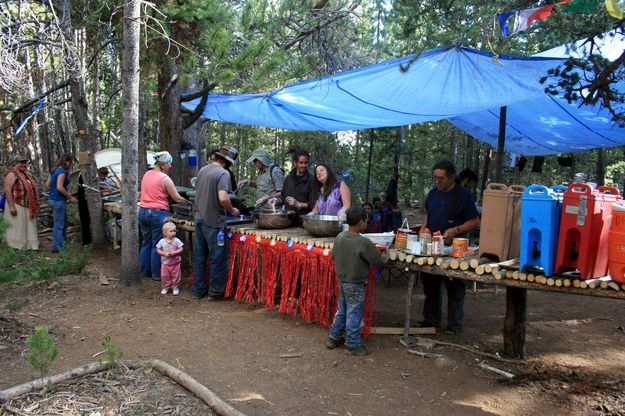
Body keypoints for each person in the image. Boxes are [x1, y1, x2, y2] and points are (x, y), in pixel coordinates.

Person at [421, 160, 480, 334]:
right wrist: (424, 229)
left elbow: (475, 221)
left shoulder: (463, 195)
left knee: (455, 287)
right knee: (430, 285)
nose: (437, 182)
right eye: (435, 178)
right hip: (433, 247)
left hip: (456, 249)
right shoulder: (432, 194)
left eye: (441, 178)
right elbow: (428, 215)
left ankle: (454, 326)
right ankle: (431, 321)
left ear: (452, 177)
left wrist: (456, 230)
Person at [326, 206, 388, 356]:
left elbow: (333, 255)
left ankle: (333, 338)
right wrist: (385, 253)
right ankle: (352, 344)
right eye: (366, 221)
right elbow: (377, 260)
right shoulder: (363, 242)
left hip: (342, 281)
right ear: (361, 223)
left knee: (342, 311)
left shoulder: (340, 237)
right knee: (354, 313)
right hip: (355, 284)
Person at [193, 146, 240, 301]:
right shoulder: (223, 173)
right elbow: (222, 198)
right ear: (227, 161)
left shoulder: (202, 170)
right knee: (217, 259)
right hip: (214, 222)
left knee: (200, 257)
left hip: (199, 219)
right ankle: (215, 293)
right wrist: (232, 210)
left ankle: (198, 291)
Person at [139, 151, 190, 281]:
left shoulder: (147, 174)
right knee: (157, 244)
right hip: (157, 213)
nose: (170, 166)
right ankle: (156, 274)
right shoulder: (165, 179)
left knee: (146, 242)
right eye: (169, 163)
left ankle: (145, 272)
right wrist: (190, 202)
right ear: (162, 164)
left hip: (143, 211)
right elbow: (177, 199)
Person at [3, 155, 41, 250]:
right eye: (21, 162)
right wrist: (12, 207)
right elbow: (7, 190)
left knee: (28, 227)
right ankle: (15, 246)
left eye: (25, 162)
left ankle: (29, 246)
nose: (24, 164)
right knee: (17, 226)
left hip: (27, 205)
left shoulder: (25, 174)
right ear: (15, 163)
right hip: (16, 204)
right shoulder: (12, 174)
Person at [46, 154, 77, 253]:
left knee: (63, 223)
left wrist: (53, 191)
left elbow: (47, 184)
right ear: (66, 161)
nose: (71, 165)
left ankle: (62, 243)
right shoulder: (62, 172)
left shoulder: (54, 170)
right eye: (71, 163)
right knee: (59, 224)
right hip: (58, 201)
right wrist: (70, 196)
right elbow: (59, 187)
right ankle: (57, 247)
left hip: (53, 199)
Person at [282, 146, 313, 224]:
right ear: (295, 163)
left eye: (306, 163)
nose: (303, 165)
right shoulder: (288, 179)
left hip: (304, 222)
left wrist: (298, 204)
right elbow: (283, 197)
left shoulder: (312, 180)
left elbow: (315, 204)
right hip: (288, 221)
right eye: (301, 163)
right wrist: (275, 200)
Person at [156, 222, 184, 296]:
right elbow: (158, 249)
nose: (173, 233)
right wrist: (164, 253)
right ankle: (166, 287)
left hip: (176, 263)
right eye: (171, 231)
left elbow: (181, 248)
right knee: (165, 275)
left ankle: (175, 287)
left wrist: (175, 253)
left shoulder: (177, 240)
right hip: (165, 263)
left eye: (174, 231)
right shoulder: (162, 241)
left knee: (176, 275)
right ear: (165, 233)